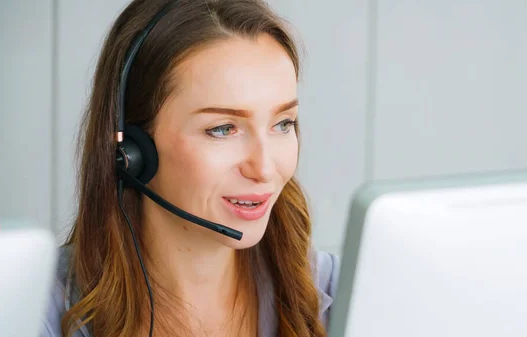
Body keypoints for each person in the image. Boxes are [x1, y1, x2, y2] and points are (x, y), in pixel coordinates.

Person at [40, 1, 340, 337]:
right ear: (133, 151)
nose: (265, 168)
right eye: (223, 129)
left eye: (283, 123)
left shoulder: (342, 295)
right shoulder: (35, 310)